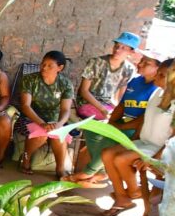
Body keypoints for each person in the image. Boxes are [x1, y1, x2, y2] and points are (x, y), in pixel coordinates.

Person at [65, 51, 165, 187]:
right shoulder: (135, 81)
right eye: (142, 60)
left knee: (108, 141)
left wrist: (120, 127)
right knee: (92, 129)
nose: (140, 64)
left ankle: (89, 172)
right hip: (124, 122)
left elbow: (145, 118)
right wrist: (111, 123)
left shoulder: (157, 89)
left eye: (146, 63)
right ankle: (101, 171)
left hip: (137, 129)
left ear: (157, 69)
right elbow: (122, 105)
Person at [99, 64, 175, 216]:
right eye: (158, 73)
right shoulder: (157, 94)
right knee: (107, 154)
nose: (156, 77)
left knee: (121, 159)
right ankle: (122, 198)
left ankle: (134, 192)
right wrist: (132, 140)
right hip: (144, 141)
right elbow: (144, 120)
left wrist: (159, 156)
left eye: (161, 75)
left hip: (160, 147)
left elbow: (173, 137)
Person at [18, 51, 75, 179]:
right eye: (43, 64)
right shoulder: (30, 80)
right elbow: (25, 106)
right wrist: (41, 123)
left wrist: (59, 124)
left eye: (50, 66)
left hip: (54, 121)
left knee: (59, 135)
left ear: (60, 68)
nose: (44, 67)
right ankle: (25, 159)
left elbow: (66, 110)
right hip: (30, 118)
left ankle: (60, 169)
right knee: (41, 135)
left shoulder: (65, 84)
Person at [76, 32, 138, 121]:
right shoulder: (96, 62)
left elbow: (120, 95)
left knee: (123, 119)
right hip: (87, 102)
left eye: (123, 48)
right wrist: (103, 109)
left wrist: (116, 109)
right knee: (105, 119)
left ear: (131, 52)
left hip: (108, 104)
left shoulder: (129, 69)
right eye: (116, 46)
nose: (117, 50)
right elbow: (84, 91)